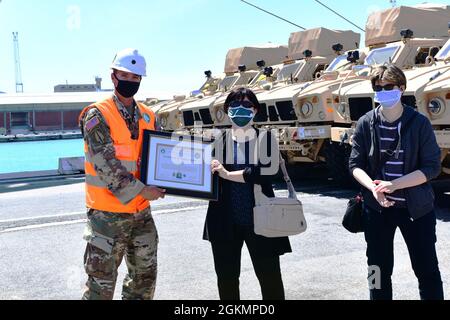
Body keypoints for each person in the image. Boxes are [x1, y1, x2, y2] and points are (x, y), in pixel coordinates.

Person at [349, 64, 444, 300]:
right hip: (376, 209)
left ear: (401, 88)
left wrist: (394, 185)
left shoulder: (419, 123)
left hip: (416, 209)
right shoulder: (365, 123)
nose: (381, 91)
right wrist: (374, 188)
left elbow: (432, 167)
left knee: (427, 270)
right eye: (377, 87)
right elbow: (355, 164)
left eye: (387, 87)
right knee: (376, 270)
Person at [78, 48, 166, 300]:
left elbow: (164, 156)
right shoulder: (97, 114)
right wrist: (143, 190)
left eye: (135, 77)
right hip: (107, 217)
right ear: (113, 76)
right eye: (125, 75)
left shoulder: (149, 115)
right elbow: (104, 164)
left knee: (143, 282)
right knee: (100, 287)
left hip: (141, 214)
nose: (130, 81)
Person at [204, 87, 292, 300]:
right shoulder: (217, 141)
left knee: (270, 278)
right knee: (227, 280)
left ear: (255, 110)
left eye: (246, 105)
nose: (240, 110)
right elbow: (203, 176)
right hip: (224, 222)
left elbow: (263, 173)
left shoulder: (266, 139)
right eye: (234, 105)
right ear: (226, 110)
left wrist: (225, 173)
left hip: (261, 220)